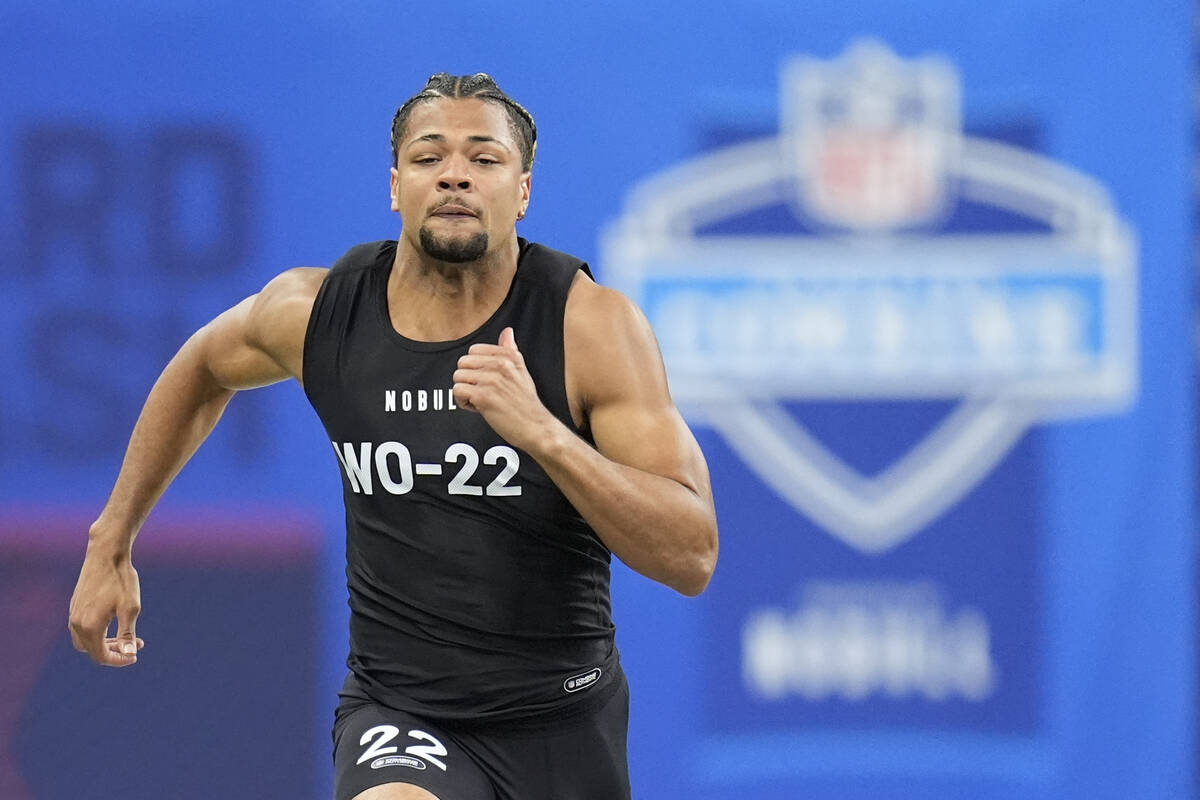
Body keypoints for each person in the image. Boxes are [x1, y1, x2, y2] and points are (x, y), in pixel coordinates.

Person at [67, 72, 718, 800]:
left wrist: (546, 435)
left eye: (484, 158)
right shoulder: (317, 312)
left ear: (524, 191)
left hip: (564, 721)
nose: (454, 176)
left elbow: (690, 555)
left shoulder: (590, 328)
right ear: (394, 185)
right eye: (429, 156)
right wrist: (111, 540)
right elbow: (201, 370)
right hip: (402, 716)